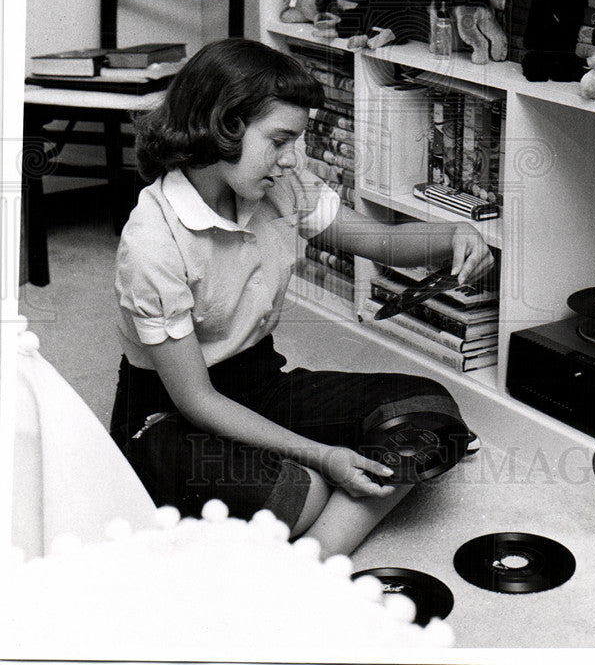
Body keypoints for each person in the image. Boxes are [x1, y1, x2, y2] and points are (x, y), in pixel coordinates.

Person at [110, 38, 493, 557]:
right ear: (223, 125)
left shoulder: (277, 183)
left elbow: (376, 241)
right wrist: (323, 457)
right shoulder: (151, 238)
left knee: (428, 416)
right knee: (301, 491)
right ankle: (320, 536)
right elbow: (197, 400)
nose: (292, 159)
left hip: (260, 382)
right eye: (280, 140)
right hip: (168, 415)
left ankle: (311, 563)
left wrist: (453, 234)